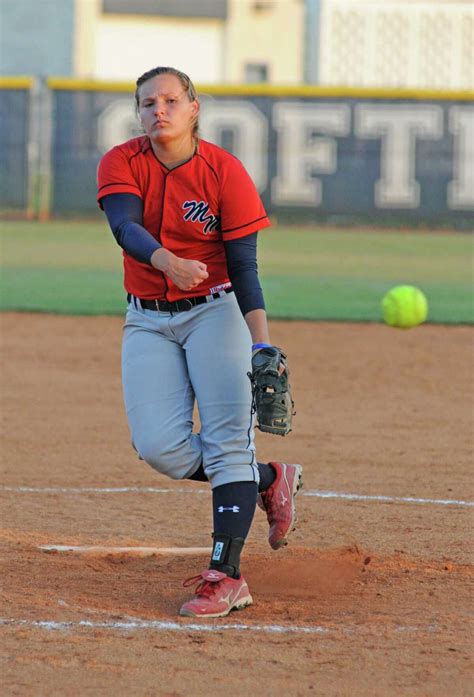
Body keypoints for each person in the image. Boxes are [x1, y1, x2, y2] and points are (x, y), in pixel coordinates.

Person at [97, 66, 303, 618]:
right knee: (160, 447)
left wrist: (260, 345)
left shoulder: (224, 172)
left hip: (216, 312)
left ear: (194, 107)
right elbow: (124, 225)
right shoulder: (122, 161)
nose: (157, 111)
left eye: (169, 100)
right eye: (147, 103)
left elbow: (244, 265)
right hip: (147, 317)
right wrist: (164, 259)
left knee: (226, 439)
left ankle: (227, 576)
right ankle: (267, 477)